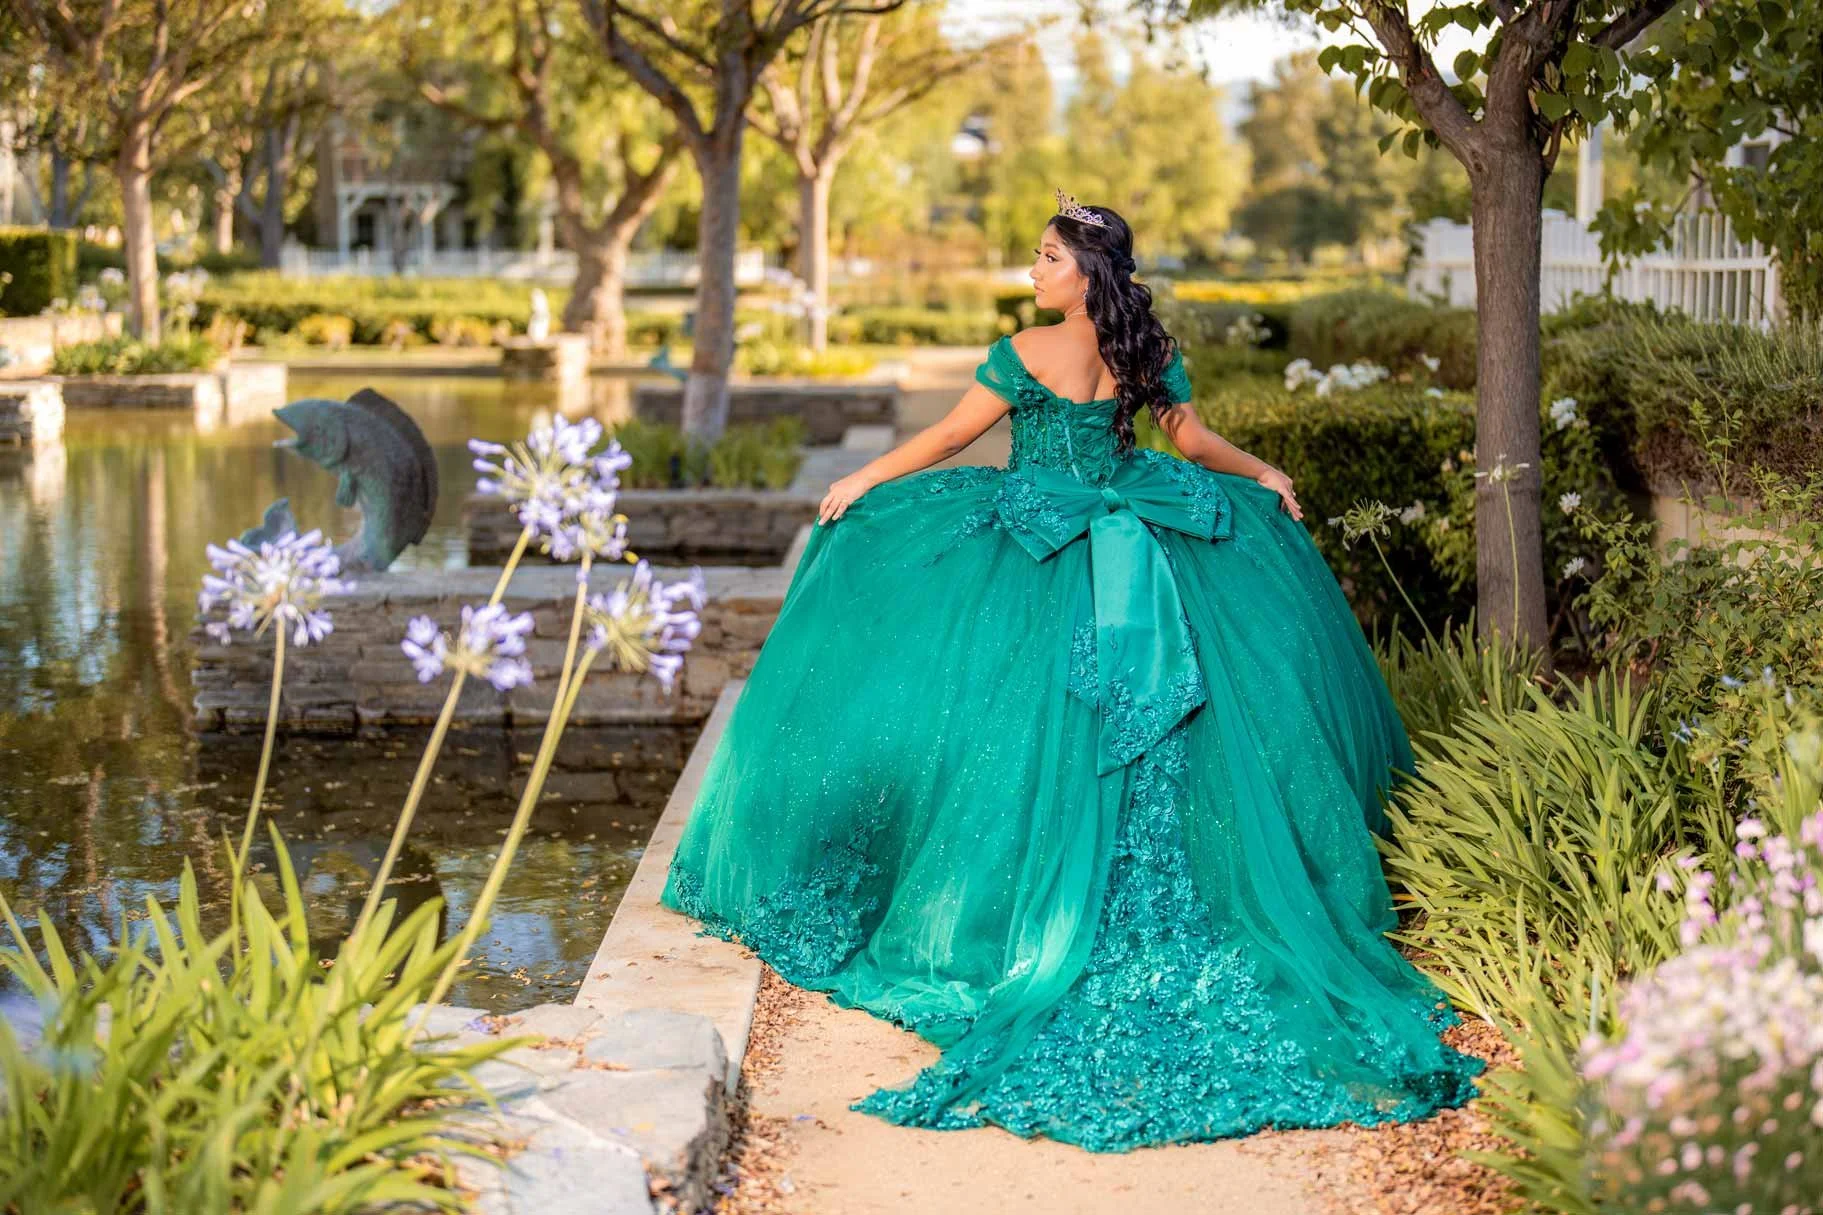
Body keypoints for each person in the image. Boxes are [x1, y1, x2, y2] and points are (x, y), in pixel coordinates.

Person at [658, 190, 1485, 1152]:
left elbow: (950, 437)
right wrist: (1259, 471)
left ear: (1087, 271)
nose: (1033, 270)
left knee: (1013, 726)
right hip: (1135, 533)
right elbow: (1190, 442)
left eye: (1048, 256)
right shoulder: (1146, 345)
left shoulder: (1026, 348)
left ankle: (1023, 910)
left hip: (1043, 544)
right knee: (1157, 711)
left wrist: (864, 478)